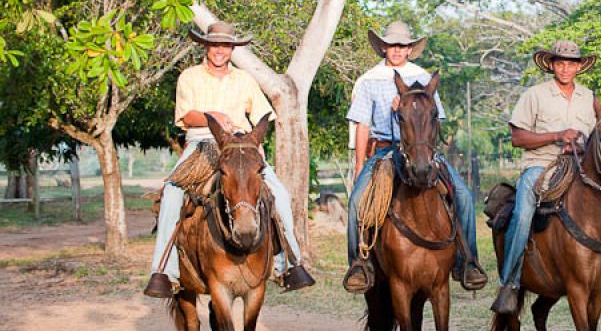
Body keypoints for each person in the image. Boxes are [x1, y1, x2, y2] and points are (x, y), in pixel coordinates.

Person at [143, 21, 315, 298]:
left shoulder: (244, 79)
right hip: (202, 142)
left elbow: (262, 114)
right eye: (215, 45)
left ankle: (288, 265)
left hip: (239, 145)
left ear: (233, 49)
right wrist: (212, 116)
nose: (220, 50)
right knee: (173, 193)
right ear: (206, 46)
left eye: (226, 45)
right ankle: (165, 270)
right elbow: (186, 116)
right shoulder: (190, 76)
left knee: (280, 196)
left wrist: (254, 143)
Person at [490, 40, 601, 322]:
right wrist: (556, 136)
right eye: (560, 63)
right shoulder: (535, 95)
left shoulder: (588, 98)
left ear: (579, 66)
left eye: (571, 63)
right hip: (541, 165)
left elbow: (600, 138)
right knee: (523, 211)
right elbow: (518, 138)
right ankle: (510, 283)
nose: (565, 68)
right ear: (552, 65)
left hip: (581, 168)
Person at [342, 20, 488, 292]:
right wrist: (360, 162)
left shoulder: (422, 76)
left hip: (424, 150)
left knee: (465, 197)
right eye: (391, 45)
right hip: (385, 149)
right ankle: (358, 264)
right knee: (356, 203)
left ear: (410, 49)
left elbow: (437, 119)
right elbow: (362, 124)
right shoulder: (368, 80)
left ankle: (467, 260)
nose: (397, 50)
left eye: (402, 45)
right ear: (383, 47)